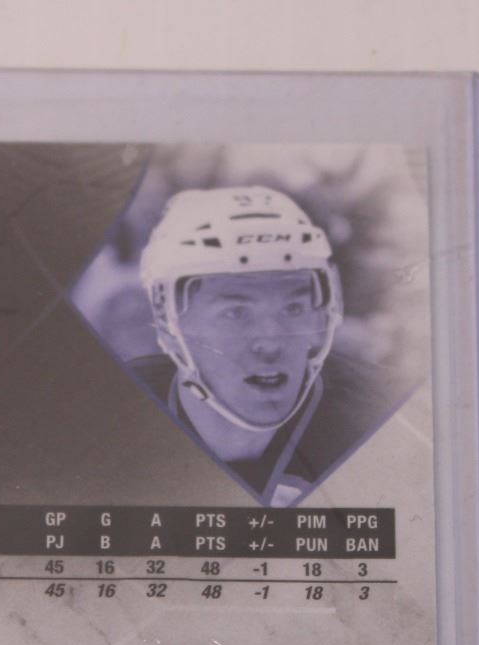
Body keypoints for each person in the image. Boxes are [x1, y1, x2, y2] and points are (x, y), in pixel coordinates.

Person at [134, 186, 410, 506]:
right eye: (236, 312)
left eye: (293, 308)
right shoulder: (115, 415)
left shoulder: (388, 415)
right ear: (167, 318)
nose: (271, 342)